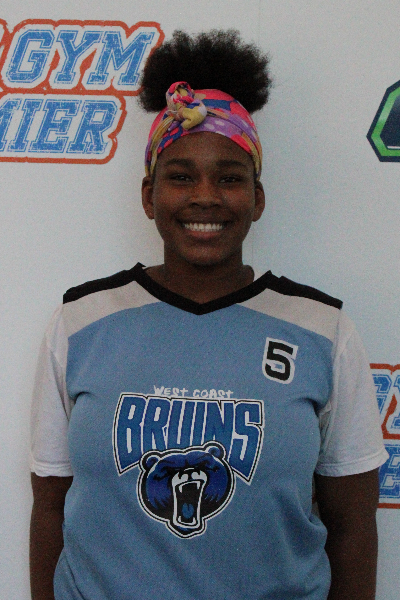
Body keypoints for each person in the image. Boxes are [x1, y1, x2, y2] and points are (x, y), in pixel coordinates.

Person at [30, 30, 388, 600]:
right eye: (180, 176)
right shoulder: (80, 323)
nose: (206, 196)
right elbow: (50, 507)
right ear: (148, 195)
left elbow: (353, 528)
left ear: (257, 198)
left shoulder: (323, 331)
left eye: (229, 178)